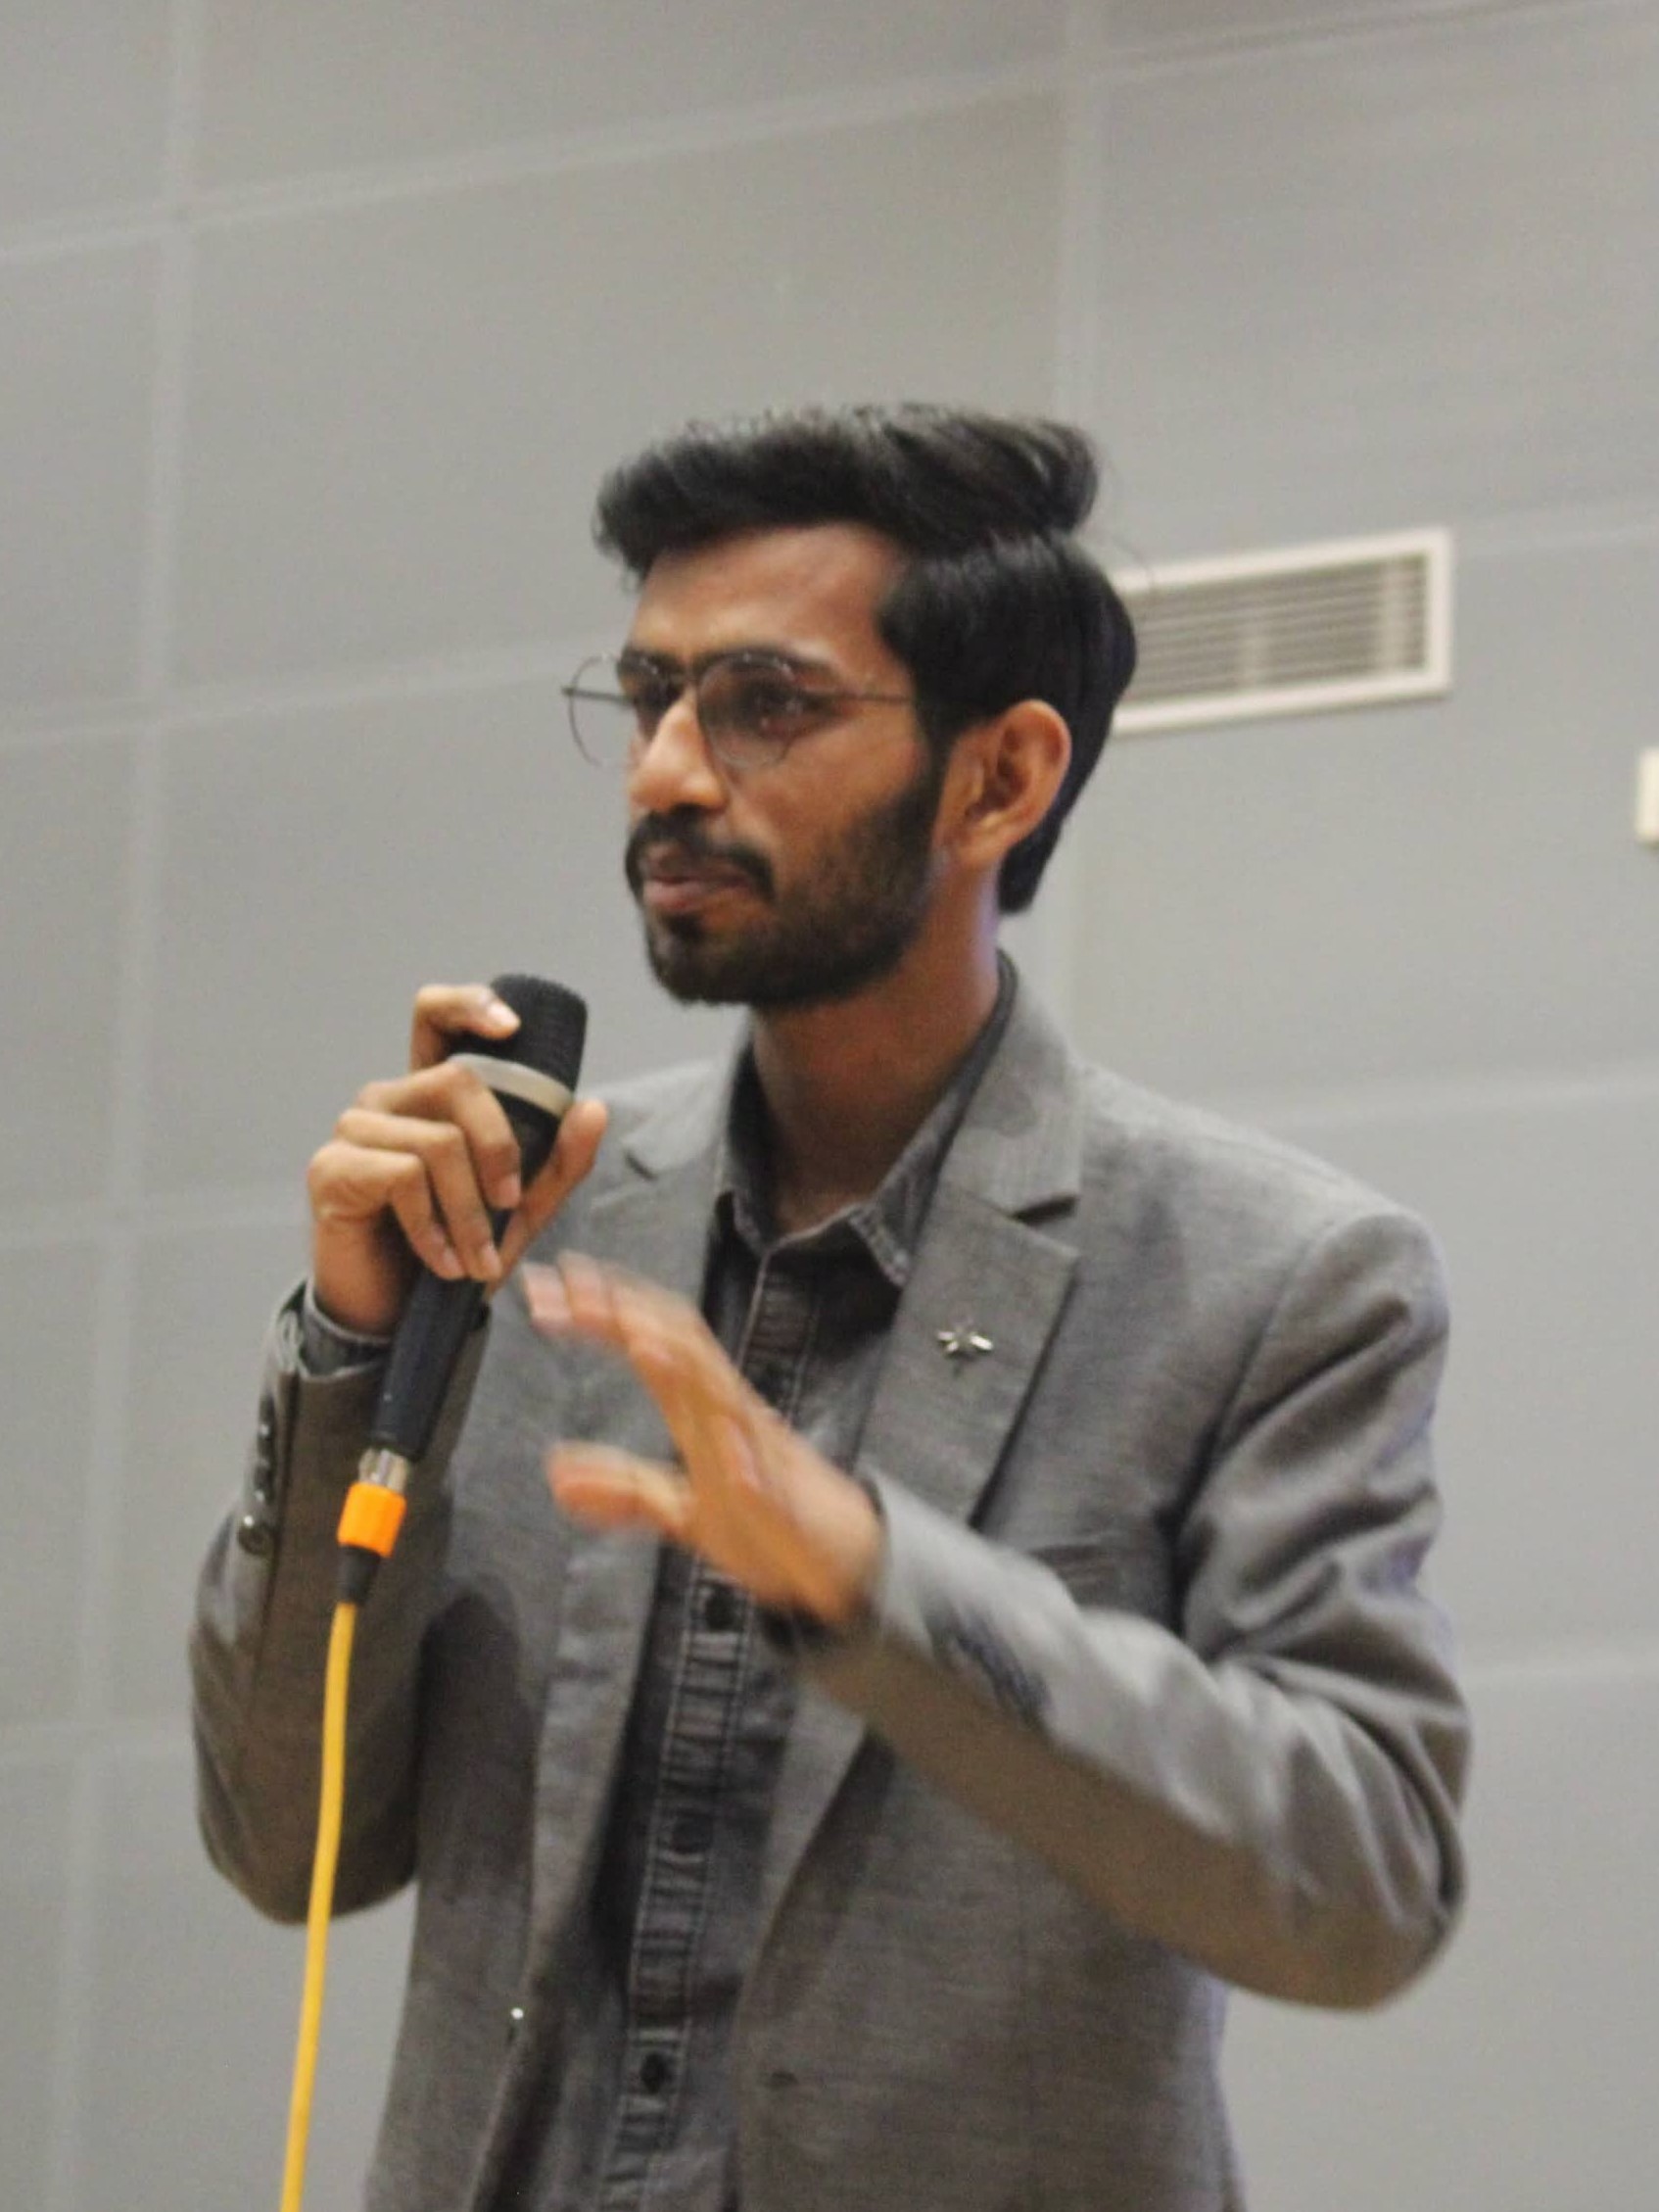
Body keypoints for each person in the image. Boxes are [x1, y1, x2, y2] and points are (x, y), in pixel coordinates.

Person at [191, 405, 1469, 2212]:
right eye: (648, 696)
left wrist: (875, 1578)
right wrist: (353, 1346)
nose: (663, 773)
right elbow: (284, 1840)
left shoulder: (1275, 1275)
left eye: (763, 705)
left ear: (998, 778)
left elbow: (1359, 1882)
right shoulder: (530, 1208)